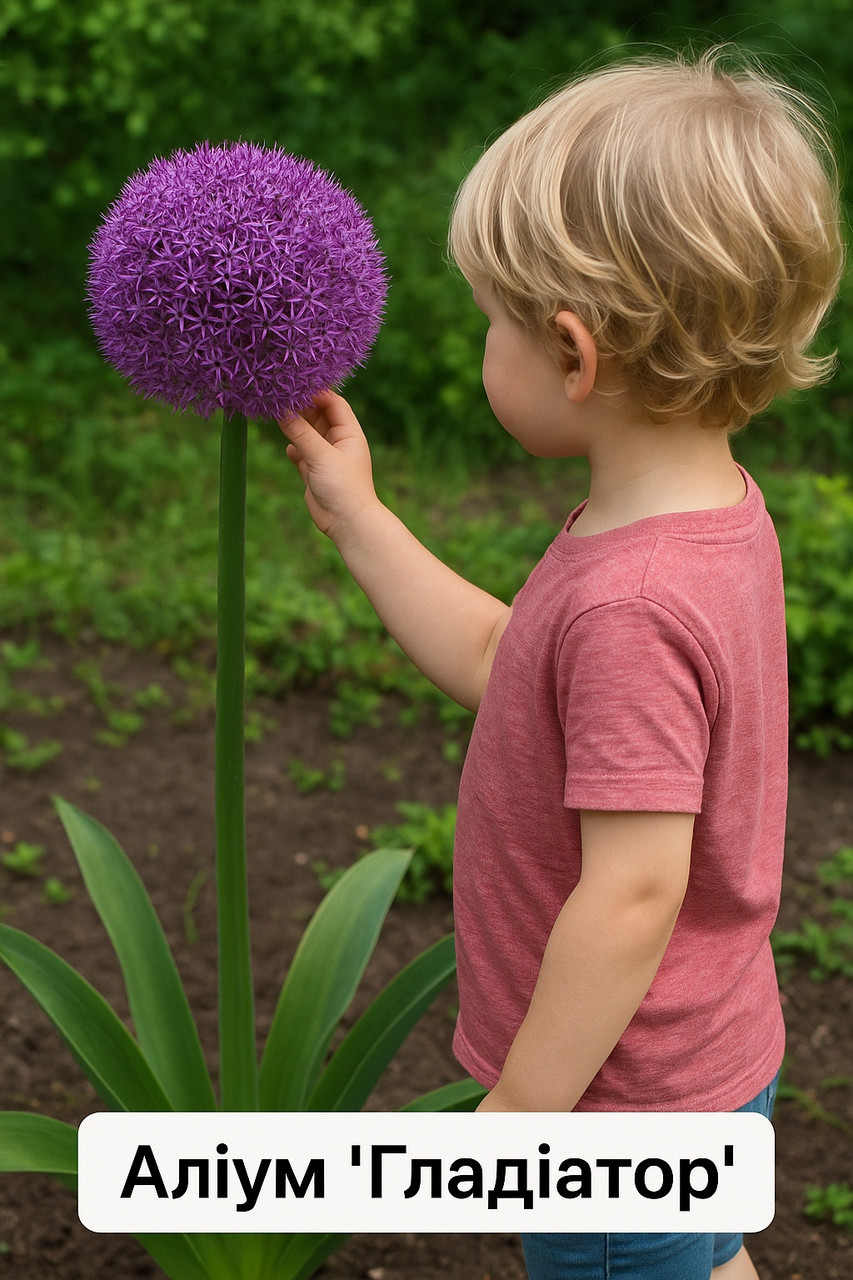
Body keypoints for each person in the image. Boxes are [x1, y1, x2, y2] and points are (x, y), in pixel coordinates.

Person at [280, 47, 844, 1280]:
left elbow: (634, 890)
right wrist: (362, 520)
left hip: (618, 1106)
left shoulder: (632, 599)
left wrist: (523, 1116)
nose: (485, 340)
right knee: (700, 1254)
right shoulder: (707, 519)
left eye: (493, 319)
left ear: (575, 354)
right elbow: (508, 659)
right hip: (704, 1057)